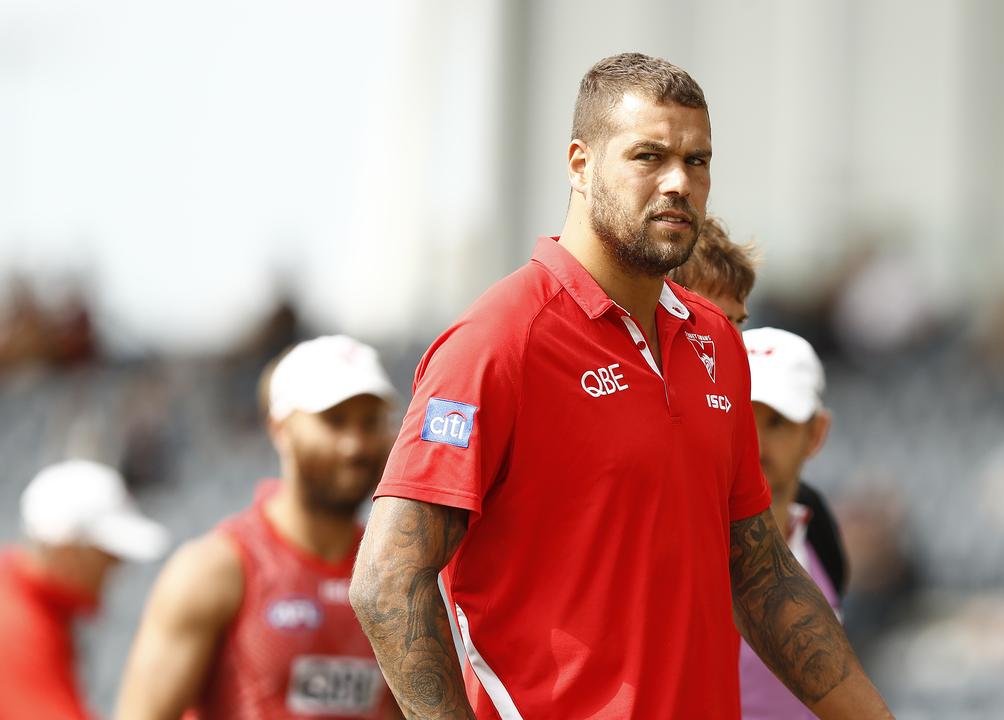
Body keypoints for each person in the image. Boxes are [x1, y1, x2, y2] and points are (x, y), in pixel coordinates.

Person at [349, 52, 893, 719]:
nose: (679, 183)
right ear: (579, 165)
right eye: (648, 156)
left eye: (698, 161)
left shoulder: (716, 342)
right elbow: (387, 581)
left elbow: (760, 578)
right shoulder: (499, 340)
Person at [116, 335, 403, 720]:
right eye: (333, 422)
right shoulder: (217, 570)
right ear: (279, 430)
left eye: (370, 423)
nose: (354, 445)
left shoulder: (392, 574)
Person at [668, 216, 849, 596]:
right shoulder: (660, 501)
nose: (758, 442)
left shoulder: (816, 522)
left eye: (733, 324)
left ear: (816, 434)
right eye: (704, 322)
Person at [0, 459, 169, 720]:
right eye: (106, 554)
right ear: (68, 550)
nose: (116, 566)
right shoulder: (18, 623)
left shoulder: (26, 599)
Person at [740, 326, 848, 718]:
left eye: (778, 423)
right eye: (740, 417)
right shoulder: (677, 538)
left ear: (816, 434)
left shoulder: (820, 531)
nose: (755, 442)